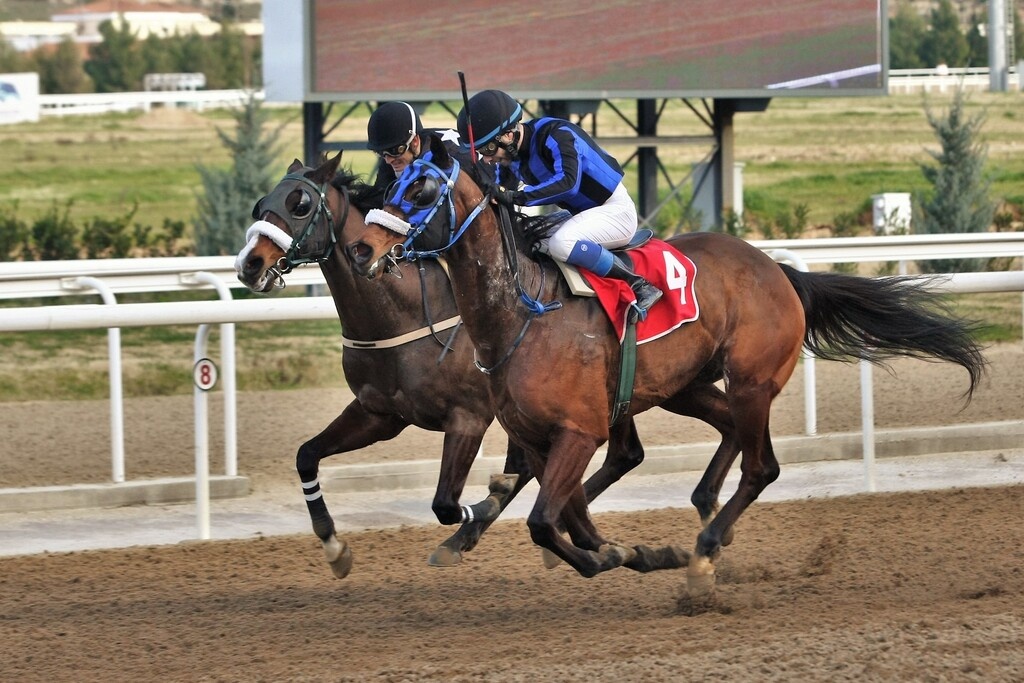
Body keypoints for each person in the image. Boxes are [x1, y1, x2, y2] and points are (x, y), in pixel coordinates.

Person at [456, 89, 662, 314]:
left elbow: (567, 183)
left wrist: (517, 197)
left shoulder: (557, 134)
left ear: (508, 135)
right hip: (583, 216)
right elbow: (503, 195)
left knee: (561, 244)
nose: (487, 158)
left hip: (614, 212)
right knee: (524, 238)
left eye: (487, 149)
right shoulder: (510, 157)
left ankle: (639, 285)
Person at [366, 100, 463, 192]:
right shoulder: (390, 162)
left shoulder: (450, 154)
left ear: (414, 141)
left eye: (394, 150)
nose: (388, 160)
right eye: (380, 152)